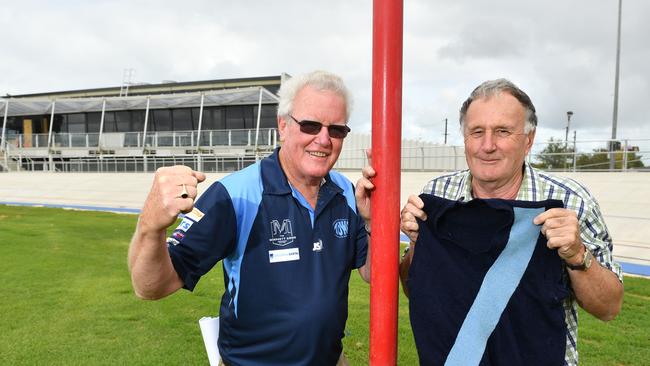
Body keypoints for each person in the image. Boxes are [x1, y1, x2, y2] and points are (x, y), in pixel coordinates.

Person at [363, 78, 622, 365]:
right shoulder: (437, 195)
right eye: (477, 132)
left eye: (502, 131)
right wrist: (417, 245)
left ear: (529, 140)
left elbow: (609, 307)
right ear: (464, 138)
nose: (488, 145)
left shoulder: (571, 202)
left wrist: (577, 255)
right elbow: (417, 290)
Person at [128, 70, 371, 366]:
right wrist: (150, 227)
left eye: (336, 130)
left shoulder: (346, 191)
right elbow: (150, 287)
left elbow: (372, 274)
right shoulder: (234, 194)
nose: (323, 139)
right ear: (283, 125)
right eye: (310, 125)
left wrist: (373, 223)